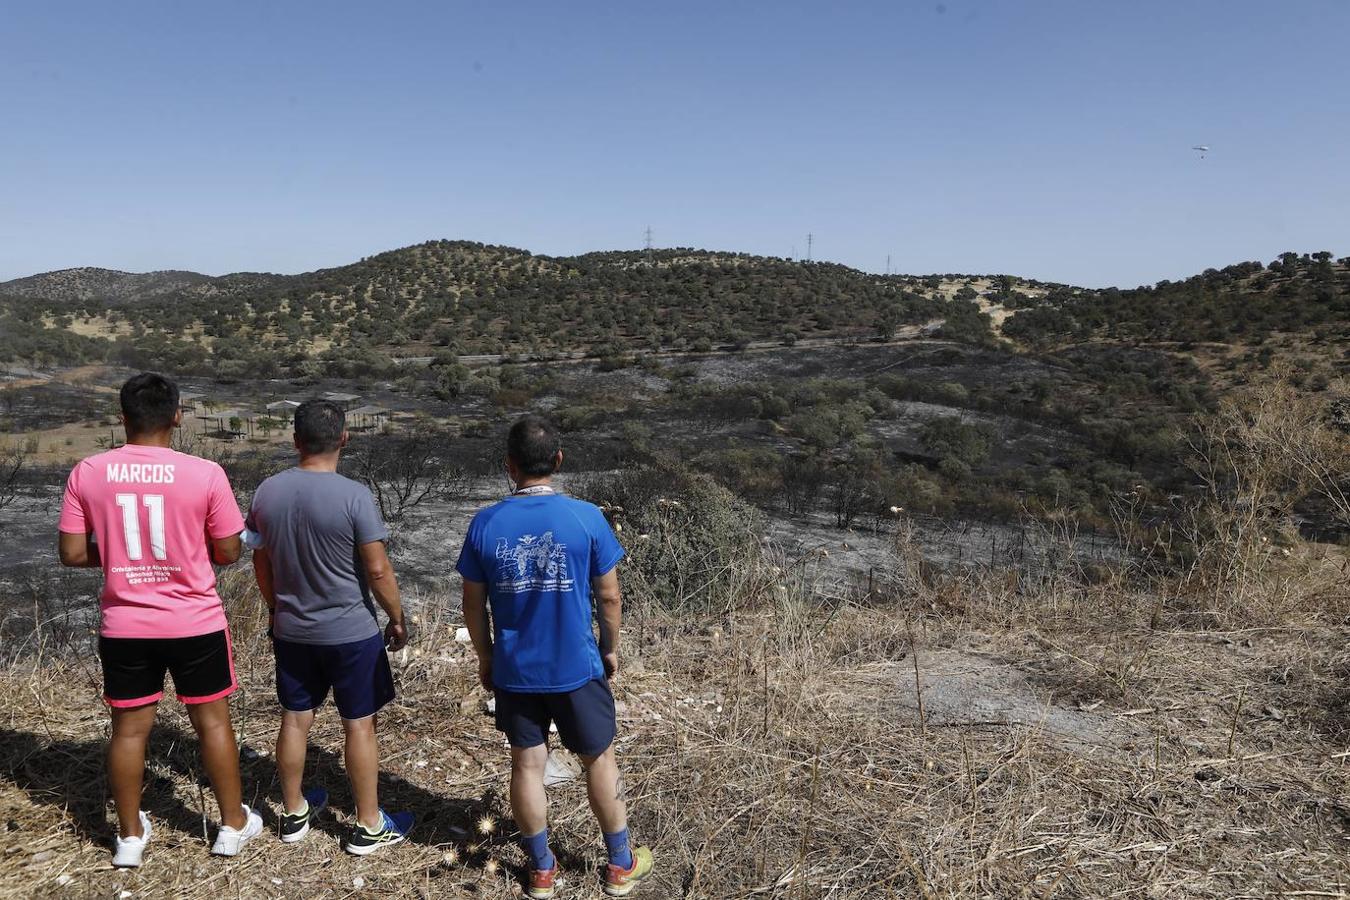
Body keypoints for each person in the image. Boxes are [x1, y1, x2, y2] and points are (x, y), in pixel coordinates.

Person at [58, 372, 262, 867]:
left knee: (128, 732)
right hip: (195, 621)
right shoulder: (205, 473)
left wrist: (121, 561)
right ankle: (231, 826)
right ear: (177, 416)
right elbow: (230, 550)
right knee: (213, 724)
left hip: (126, 626)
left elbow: (70, 553)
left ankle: (129, 837)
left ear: (122, 417)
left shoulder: (88, 471)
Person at [457, 415, 653, 899]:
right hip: (575, 667)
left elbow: (472, 604)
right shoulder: (586, 517)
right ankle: (619, 865)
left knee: (526, 764)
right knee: (599, 759)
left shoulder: (485, 523)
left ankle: (542, 871)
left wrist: (486, 656)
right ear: (558, 461)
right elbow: (609, 597)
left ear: (510, 466)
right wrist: (609, 649)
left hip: (516, 668)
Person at [246, 399, 413, 854]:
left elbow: (261, 562)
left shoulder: (267, 492)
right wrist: (397, 618)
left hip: (293, 629)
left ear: (295, 440)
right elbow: (377, 571)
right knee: (359, 725)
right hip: (351, 632)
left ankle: (294, 811)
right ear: (344, 439)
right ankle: (366, 825)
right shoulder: (354, 496)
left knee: (296, 719)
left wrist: (275, 608)